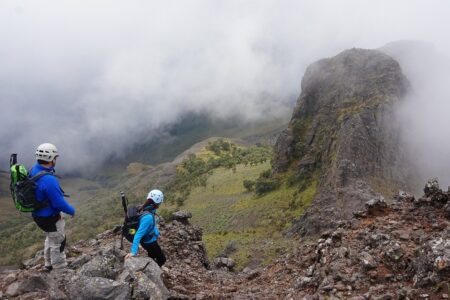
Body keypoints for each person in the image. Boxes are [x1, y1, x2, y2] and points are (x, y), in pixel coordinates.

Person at [31, 143, 76, 271]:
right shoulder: (48, 180)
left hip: (39, 216)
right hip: (51, 217)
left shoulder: (34, 170)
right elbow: (58, 203)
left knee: (50, 238)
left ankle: (48, 264)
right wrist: (72, 211)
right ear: (51, 159)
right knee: (58, 242)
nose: (56, 159)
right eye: (55, 157)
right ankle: (60, 269)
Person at [125, 189, 166, 267]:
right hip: (149, 242)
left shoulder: (143, 208)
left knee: (152, 254)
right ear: (158, 202)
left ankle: (151, 262)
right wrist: (133, 252)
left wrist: (156, 232)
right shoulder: (148, 217)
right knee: (162, 259)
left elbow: (150, 226)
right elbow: (138, 234)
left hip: (147, 240)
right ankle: (154, 269)